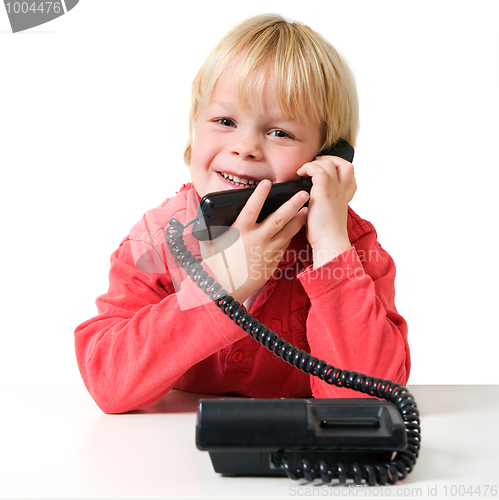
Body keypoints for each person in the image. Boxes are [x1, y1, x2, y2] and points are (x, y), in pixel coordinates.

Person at [75, 14, 410, 414]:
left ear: (326, 158)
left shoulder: (350, 246)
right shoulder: (157, 238)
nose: (245, 146)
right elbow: (108, 381)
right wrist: (224, 282)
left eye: (280, 132)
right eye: (224, 121)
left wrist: (329, 245)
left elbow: (370, 400)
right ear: (193, 133)